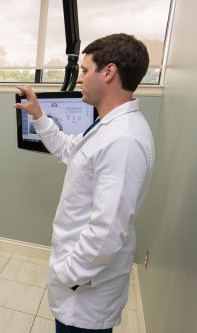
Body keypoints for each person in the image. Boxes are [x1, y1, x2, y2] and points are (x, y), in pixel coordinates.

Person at [14, 34, 155, 332]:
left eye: (85, 70)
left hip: (85, 290)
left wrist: (67, 274)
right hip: (79, 279)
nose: (79, 80)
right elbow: (68, 150)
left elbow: (107, 231)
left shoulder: (124, 140)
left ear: (109, 72)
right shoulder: (107, 126)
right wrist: (39, 115)